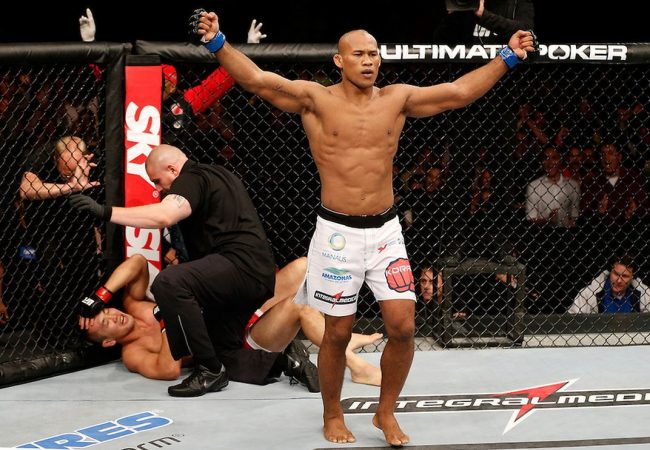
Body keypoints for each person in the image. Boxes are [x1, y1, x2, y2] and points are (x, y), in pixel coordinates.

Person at [189, 9, 535, 446]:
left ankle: (384, 412)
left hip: (386, 232)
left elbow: (458, 92)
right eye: (359, 54)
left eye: (374, 54)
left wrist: (508, 56)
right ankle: (333, 414)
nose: (369, 61)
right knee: (336, 332)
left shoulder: (397, 98)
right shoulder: (315, 99)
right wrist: (217, 42)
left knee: (403, 327)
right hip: (337, 235)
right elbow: (258, 80)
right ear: (339, 60)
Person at [69, 144, 277, 397]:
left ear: (173, 169)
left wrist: (105, 212)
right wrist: (101, 296)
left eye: (157, 181)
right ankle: (284, 362)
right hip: (250, 272)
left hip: (239, 265)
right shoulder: (219, 173)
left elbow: (164, 216)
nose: (158, 189)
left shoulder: (191, 178)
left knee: (169, 282)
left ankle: (210, 372)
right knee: (223, 351)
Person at [81, 254, 382, 387]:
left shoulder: (134, 304)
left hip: (234, 313)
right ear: (109, 342)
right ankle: (356, 368)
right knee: (299, 308)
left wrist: (100, 296)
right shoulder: (133, 353)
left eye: (106, 311)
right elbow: (169, 370)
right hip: (237, 341)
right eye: (105, 323)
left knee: (302, 267)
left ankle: (340, 338)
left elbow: (136, 262)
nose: (113, 316)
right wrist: (166, 320)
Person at [568, 254, 650, 314]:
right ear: (610, 272)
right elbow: (572, 323)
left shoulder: (645, 294)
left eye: (625, 276)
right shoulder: (588, 293)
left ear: (632, 277)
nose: (619, 280)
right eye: (616, 274)